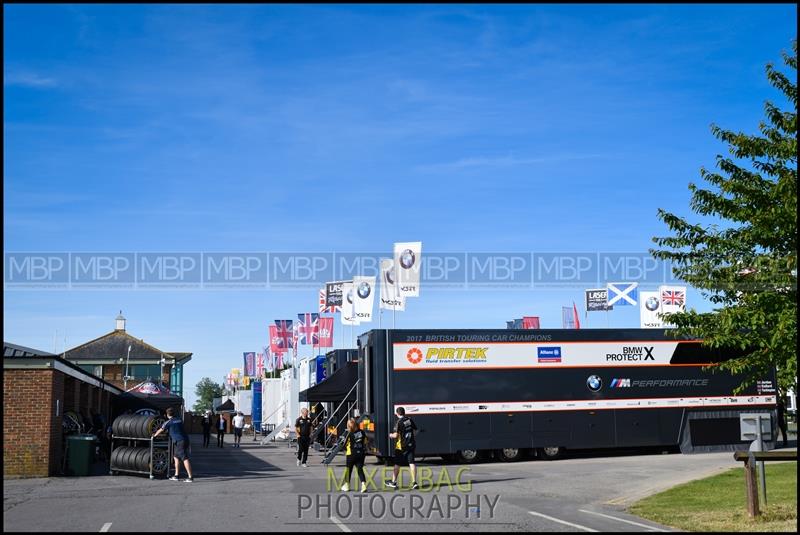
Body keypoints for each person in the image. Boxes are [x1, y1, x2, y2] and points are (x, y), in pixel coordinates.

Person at [152, 407, 194, 482]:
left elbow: (161, 429)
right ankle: (176, 475)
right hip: (184, 439)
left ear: (167, 414)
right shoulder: (179, 420)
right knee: (176, 457)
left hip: (179, 441)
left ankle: (190, 477)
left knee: (184, 458)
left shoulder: (168, 422)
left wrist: (154, 436)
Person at [387, 407, 418, 490]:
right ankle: (414, 482)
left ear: (397, 414)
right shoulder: (409, 420)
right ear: (404, 412)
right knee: (411, 463)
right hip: (411, 444)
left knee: (397, 464)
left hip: (401, 447)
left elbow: (396, 435)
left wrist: (390, 435)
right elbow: (415, 431)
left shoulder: (398, 422)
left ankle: (393, 482)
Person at [340, 418, 368, 493]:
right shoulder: (362, 432)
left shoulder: (349, 433)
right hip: (361, 453)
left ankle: (347, 485)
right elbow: (365, 442)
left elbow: (344, 444)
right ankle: (363, 484)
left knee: (348, 470)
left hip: (351, 454)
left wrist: (344, 448)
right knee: (360, 469)